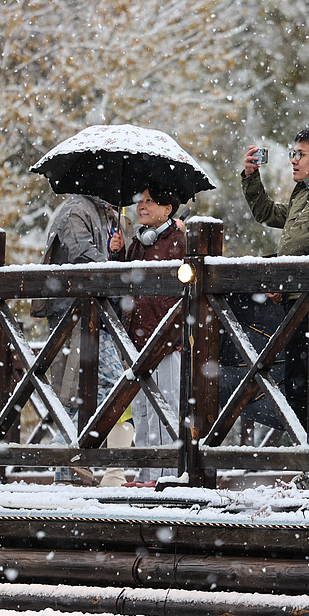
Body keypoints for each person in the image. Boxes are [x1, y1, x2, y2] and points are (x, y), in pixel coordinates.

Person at [241, 128, 309, 491]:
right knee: (300, 382)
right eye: (291, 153)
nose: (292, 159)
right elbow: (269, 214)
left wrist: (276, 276)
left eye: (299, 153)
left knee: (307, 382)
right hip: (305, 297)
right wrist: (251, 178)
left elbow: (297, 237)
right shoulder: (306, 192)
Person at [32, 194, 133, 487]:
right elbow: (81, 254)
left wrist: (118, 248)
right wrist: (112, 263)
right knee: (98, 387)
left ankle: (72, 464)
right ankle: (69, 462)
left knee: (94, 391)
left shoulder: (106, 215)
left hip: (95, 315)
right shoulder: (76, 210)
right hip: (72, 315)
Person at [108, 185, 186, 486]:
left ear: (168, 209)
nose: (142, 206)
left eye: (150, 202)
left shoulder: (179, 241)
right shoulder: (138, 242)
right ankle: (144, 475)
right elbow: (123, 282)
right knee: (140, 410)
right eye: (140, 201)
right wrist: (116, 255)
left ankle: (164, 476)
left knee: (163, 408)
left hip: (166, 339)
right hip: (136, 336)